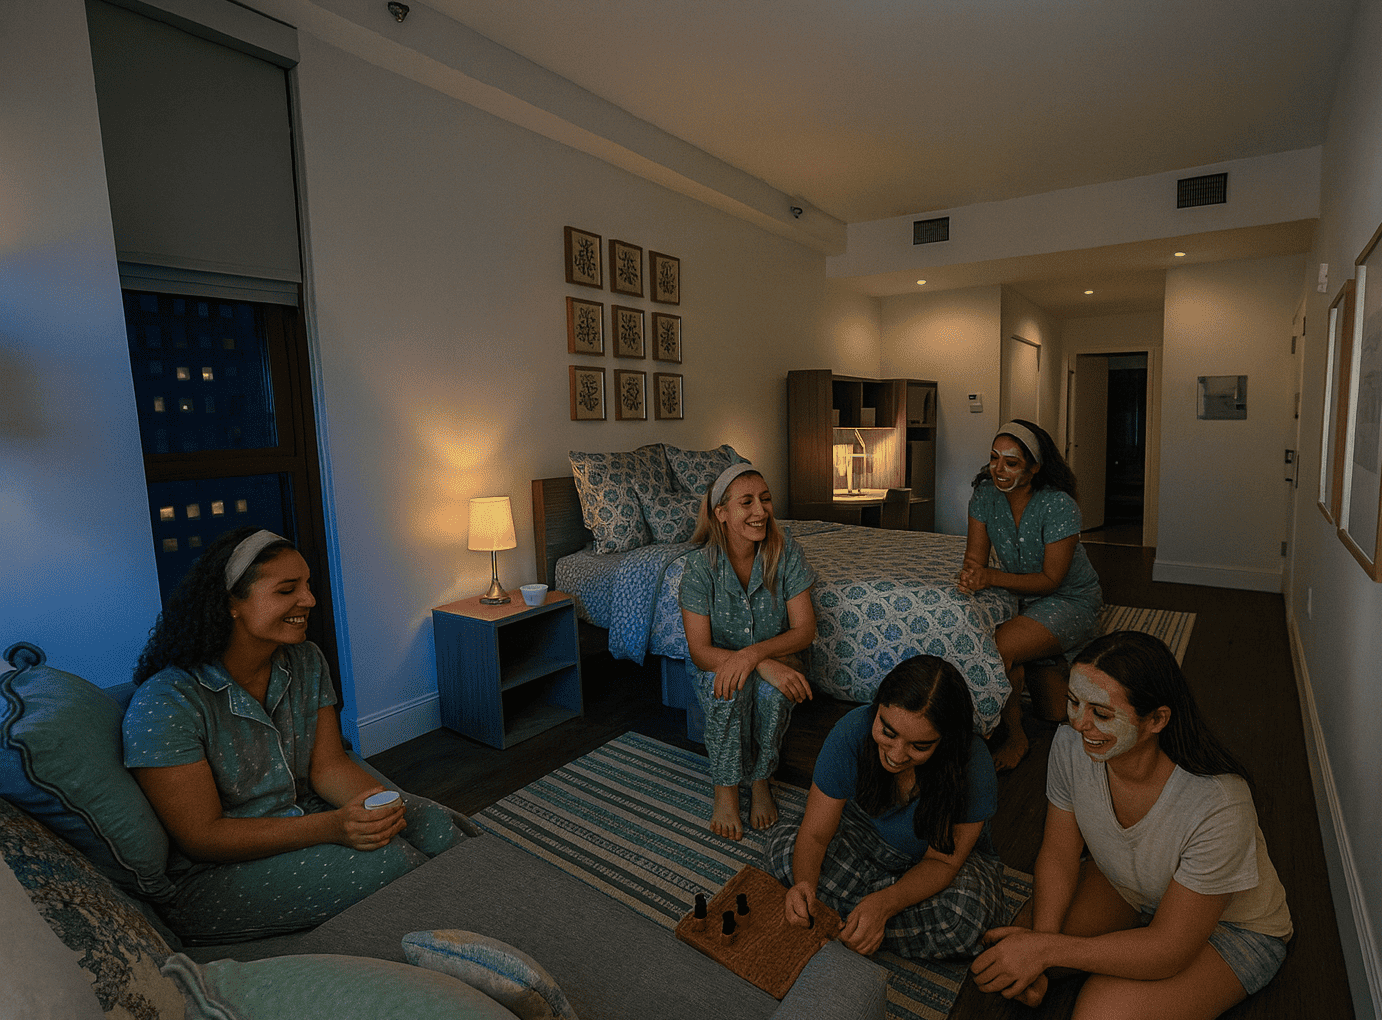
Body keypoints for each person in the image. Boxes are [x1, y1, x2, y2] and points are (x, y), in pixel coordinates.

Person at [124, 527, 463, 944]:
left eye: (307, 585)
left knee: (435, 825)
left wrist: (381, 811)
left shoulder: (305, 660)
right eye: (287, 590)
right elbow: (203, 836)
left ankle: (491, 919)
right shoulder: (166, 703)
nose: (309, 600)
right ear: (230, 603)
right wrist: (334, 827)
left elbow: (329, 766)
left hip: (306, 813)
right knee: (391, 862)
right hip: (215, 874)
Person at [970, 631, 1292, 1018]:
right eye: (1074, 702)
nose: (1080, 723)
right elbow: (1059, 852)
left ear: (1157, 719)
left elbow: (1170, 948)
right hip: (1131, 887)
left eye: (1102, 714)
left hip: (1233, 929)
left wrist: (1047, 949)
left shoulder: (1220, 803)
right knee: (1015, 951)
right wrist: (1041, 945)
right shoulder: (1071, 744)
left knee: (1099, 1013)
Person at [766, 655, 1007, 959]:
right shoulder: (853, 730)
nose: (896, 754)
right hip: (858, 840)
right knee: (782, 849)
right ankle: (862, 927)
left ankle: (851, 923)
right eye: (888, 733)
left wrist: (885, 903)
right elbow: (815, 834)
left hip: (926, 867)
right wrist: (804, 887)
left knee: (963, 914)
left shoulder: (973, 766)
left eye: (919, 746)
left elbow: (943, 863)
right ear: (877, 709)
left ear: (945, 740)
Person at [679, 463, 817, 841]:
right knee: (727, 689)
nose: (761, 511)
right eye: (747, 502)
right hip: (717, 661)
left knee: (772, 693)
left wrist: (753, 657)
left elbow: (805, 630)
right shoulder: (699, 567)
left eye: (765, 499)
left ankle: (760, 780)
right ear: (721, 513)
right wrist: (754, 663)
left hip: (780, 659)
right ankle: (724, 788)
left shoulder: (786, 553)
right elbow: (700, 652)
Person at [957, 418, 1102, 770]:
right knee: (1051, 710)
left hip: (1070, 600)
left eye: (1011, 462)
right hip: (1019, 598)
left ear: (1034, 468)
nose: (998, 469)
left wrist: (991, 577)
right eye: (994, 458)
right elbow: (974, 558)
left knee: (999, 648)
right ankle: (1039, 661)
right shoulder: (985, 495)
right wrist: (971, 575)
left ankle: (1015, 737)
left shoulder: (1058, 505)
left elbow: (1051, 580)